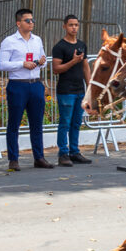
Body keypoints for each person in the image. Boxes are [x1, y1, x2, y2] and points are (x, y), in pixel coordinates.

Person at [0, 9, 50, 170]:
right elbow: (2, 64)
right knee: (14, 123)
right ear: (18, 23)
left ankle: (39, 157)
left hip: (35, 84)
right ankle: (13, 159)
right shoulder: (9, 41)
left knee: (37, 123)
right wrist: (22, 63)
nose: (31, 23)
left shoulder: (37, 40)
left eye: (32, 20)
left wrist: (42, 62)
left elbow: (45, 60)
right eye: (27, 20)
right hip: (18, 84)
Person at [51, 15, 91, 167]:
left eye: (76, 25)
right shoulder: (59, 47)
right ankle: (63, 153)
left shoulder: (81, 45)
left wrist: (90, 86)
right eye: (71, 25)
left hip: (80, 90)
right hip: (66, 91)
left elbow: (86, 66)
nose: (74, 28)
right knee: (65, 123)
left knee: (76, 123)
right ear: (64, 27)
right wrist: (73, 61)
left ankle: (74, 152)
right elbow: (56, 69)